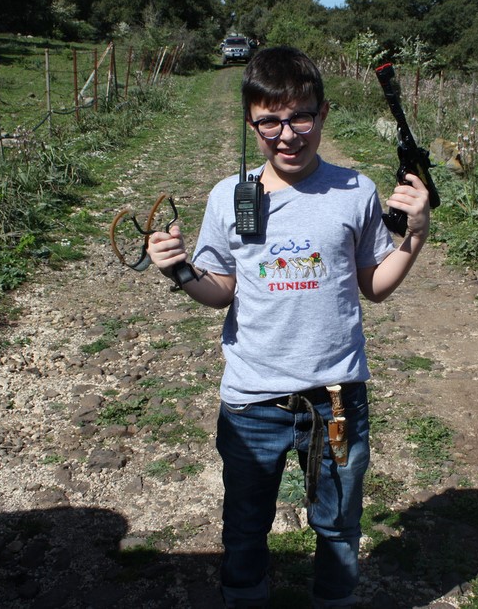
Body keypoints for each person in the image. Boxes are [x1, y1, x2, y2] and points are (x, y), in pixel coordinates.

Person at [147, 46, 430, 608]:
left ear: (323, 113)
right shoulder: (228, 197)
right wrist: (179, 269)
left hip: (337, 398)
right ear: (250, 123)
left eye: (300, 117)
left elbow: (374, 286)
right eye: (269, 122)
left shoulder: (355, 191)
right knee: (245, 527)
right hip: (253, 401)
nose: (287, 135)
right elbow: (220, 290)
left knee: (339, 526)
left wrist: (416, 234)